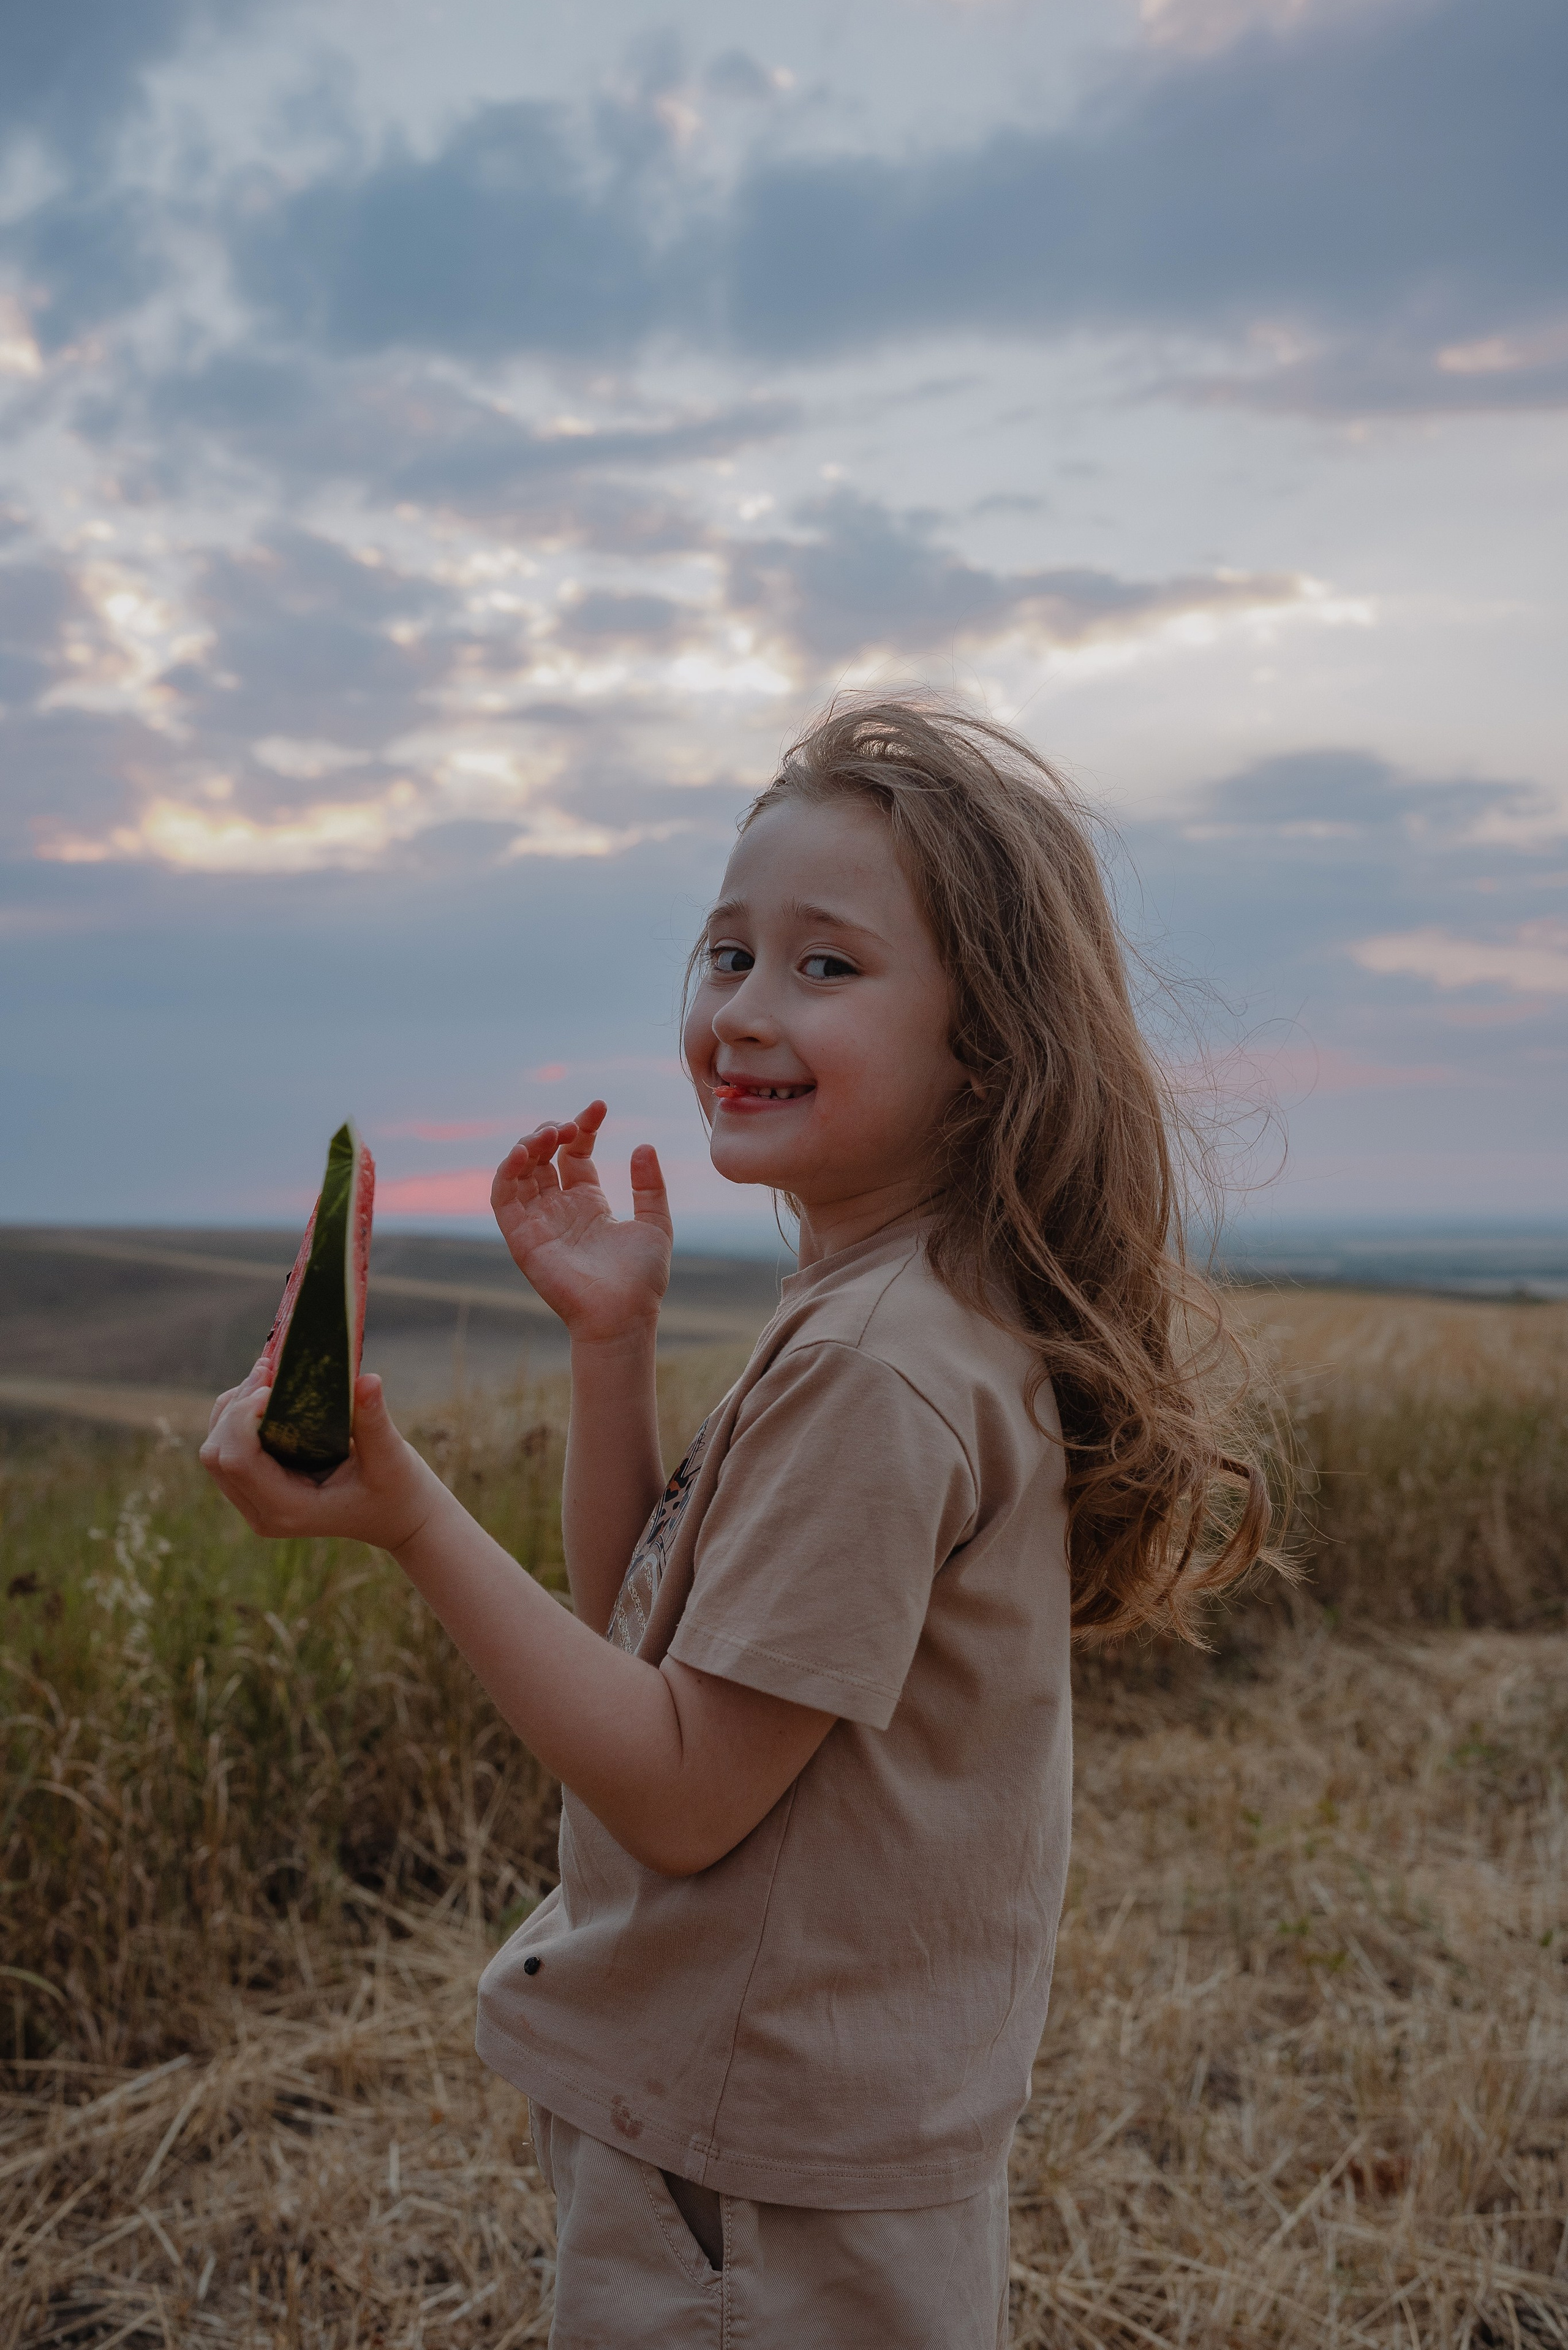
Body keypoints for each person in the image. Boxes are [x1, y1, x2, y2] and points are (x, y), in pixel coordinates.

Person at [202, 694, 1273, 2348]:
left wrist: (402, 1513)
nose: (743, 1011)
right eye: (726, 955)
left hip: (755, 2190)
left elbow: (685, 1791)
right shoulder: (890, 1304)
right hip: (811, 2145)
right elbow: (652, 1627)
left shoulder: (875, 1368)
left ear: (984, 1045)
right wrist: (612, 1348)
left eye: (825, 967)